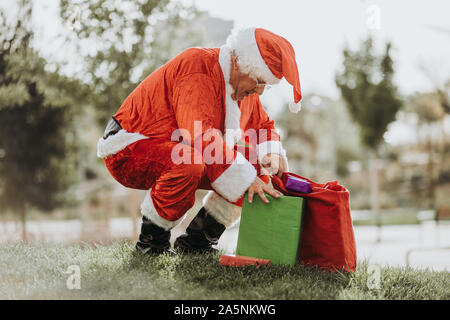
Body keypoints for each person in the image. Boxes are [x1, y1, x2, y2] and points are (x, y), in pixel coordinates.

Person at [97, 27, 303, 254]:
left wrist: (271, 154)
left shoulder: (244, 88)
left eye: (266, 85)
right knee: (188, 161)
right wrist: (245, 180)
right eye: (260, 81)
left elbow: (263, 126)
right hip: (128, 147)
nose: (261, 92)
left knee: (255, 168)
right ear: (238, 63)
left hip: (178, 148)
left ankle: (197, 243)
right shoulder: (197, 66)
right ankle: (151, 244)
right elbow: (200, 136)